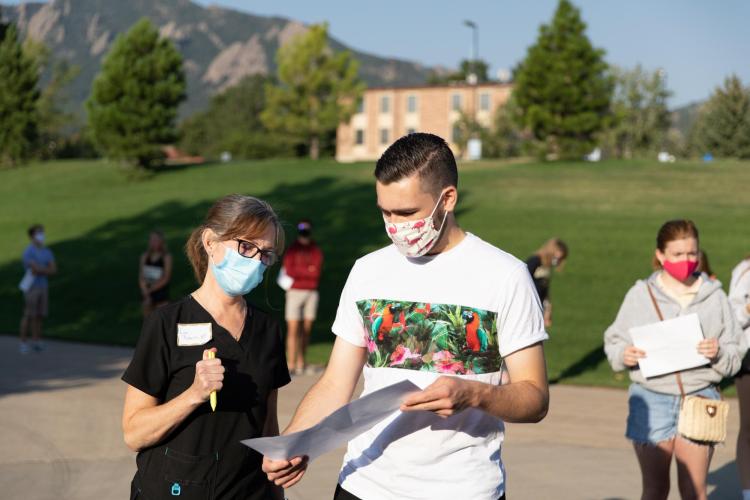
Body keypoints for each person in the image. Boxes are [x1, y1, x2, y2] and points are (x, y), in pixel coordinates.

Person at [263, 133, 550, 499]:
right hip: (363, 485)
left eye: (407, 213)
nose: (395, 225)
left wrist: (475, 394)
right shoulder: (367, 271)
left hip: (463, 490)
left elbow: (535, 398)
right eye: (385, 211)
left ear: (447, 198)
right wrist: (292, 441)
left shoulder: (505, 275)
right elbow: (336, 383)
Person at [121, 194, 290, 500]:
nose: (255, 261)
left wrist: (277, 492)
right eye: (246, 246)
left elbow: (268, 426)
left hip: (248, 492)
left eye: (265, 254)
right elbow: (134, 433)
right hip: (173, 489)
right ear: (211, 242)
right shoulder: (166, 324)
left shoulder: (267, 330)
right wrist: (193, 394)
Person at [604, 219, 744, 500]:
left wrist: (717, 353)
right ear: (660, 255)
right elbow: (614, 340)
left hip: (699, 398)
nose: (686, 260)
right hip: (651, 398)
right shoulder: (640, 295)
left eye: (692, 254)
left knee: (694, 491)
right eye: (678, 254)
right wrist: (624, 354)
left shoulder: (715, 297)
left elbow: (735, 352)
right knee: (655, 489)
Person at [284, 219, 324, 375]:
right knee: (293, 329)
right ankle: (291, 363)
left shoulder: (315, 249)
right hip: (295, 293)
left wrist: (303, 272)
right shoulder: (293, 249)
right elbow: (289, 270)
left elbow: (317, 272)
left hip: (311, 292)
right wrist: (308, 271)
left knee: (306, 330)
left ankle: (301, 362)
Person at [730, 254, 750, 500]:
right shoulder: (744, 271)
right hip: (749, 357)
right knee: (749, 429)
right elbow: (729, 318)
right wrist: (747, 308)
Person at [19, 224, 56, 354]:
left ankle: (36, 340)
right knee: (29, 315)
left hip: (43, 286)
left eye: (42, 232)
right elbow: (34, 269)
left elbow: (53, 270)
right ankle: (23, 342)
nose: (41, 235)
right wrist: (44, 269)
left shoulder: (47, 252)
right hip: (31, 287)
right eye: (38, 233)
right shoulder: (28, 252)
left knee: (39, 315)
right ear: (31, 236)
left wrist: (41, 270)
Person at [525, 238, 568, 328]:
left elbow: (544, 289)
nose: (557, 259)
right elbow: (523, 280)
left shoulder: (547, 266)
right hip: (529, 305)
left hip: (537, 306)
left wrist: (547, 309)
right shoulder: (535, 261)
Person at [138, 230, 173, 316]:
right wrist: (145, 292)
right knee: (148, 321)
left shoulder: (166, 257)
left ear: (161, 242)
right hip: (146, 293)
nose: (153, 243)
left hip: (160, 293)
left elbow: (166, 278)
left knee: (161, 320)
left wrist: (150, 290)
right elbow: (141, 276)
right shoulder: (145, 256)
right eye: (152, 240)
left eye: (156, 240)